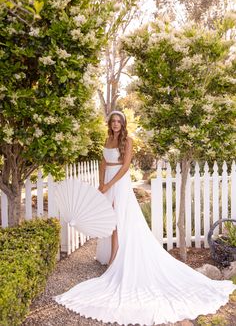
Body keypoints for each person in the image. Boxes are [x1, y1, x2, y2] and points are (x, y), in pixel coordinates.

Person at [54, 110, 235, 326]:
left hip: (119, 184)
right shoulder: (107, 139)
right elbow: (103, 164)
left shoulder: (127, 140)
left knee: (119, 221)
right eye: (113, 121)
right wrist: (101, 184)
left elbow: (125, 166)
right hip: (107, 183)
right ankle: (111, 256)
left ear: (123, 124)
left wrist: (110, 185)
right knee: (108, 220)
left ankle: (116, 259)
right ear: (110, 124)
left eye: (119, 121)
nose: (115, 124)